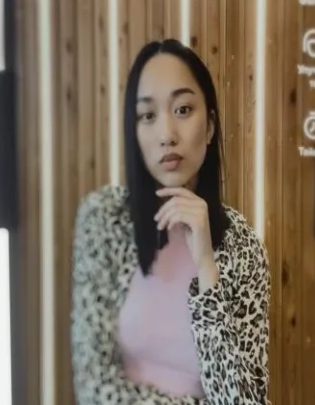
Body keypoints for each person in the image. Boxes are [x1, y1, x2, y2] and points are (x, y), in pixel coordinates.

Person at [70, 39, 271, 405]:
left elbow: (244, 401)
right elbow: (93, 385)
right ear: (135, 133)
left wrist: (207, 265)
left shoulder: (243, 246)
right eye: (148, 115)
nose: (166, 135)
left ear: (209, 127)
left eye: (182, 109)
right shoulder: (103, 218)